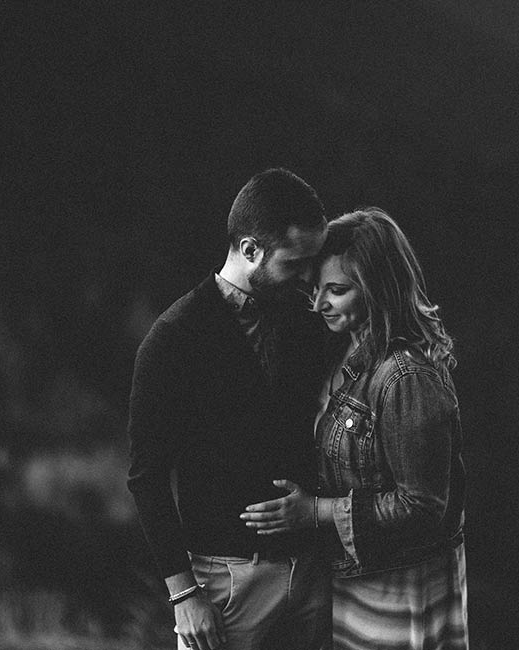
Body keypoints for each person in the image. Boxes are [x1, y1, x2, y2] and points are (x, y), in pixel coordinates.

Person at [240, 208, 469, 649]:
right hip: (360, 582)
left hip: (399, 591)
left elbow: (421, 505)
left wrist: (316, 512)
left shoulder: (405, 377)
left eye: (337, 291)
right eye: (316, 289)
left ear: (378, 290)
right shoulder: (348, 351)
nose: (319, 303)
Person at [127, 168, 332, 650]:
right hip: (226, 584)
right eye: (296, 262)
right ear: (250, 250)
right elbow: (147, 476)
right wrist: (184, 595)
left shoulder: (307, 323)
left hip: (313, 575)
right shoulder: (173, 338)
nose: (309, 276)